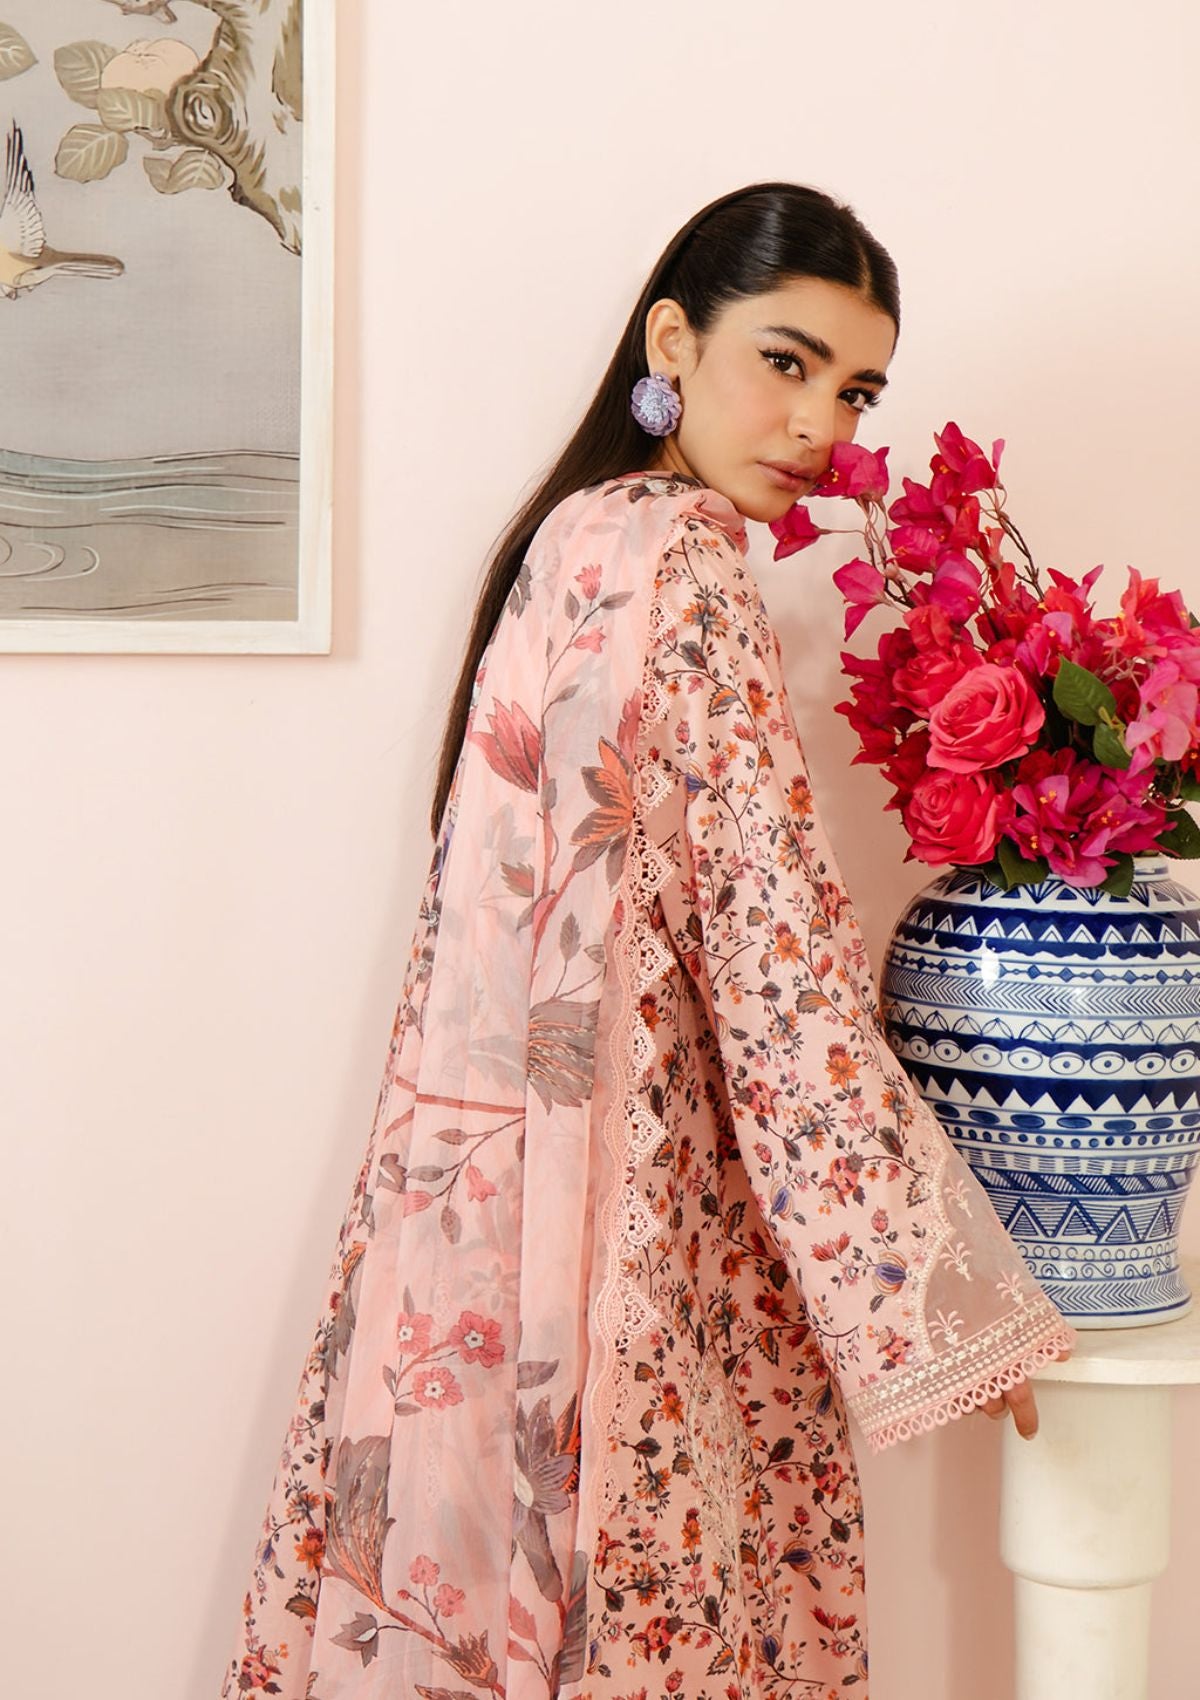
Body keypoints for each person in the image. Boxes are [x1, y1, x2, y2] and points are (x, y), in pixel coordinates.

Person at [221, 183, 1075, 1700]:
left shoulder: (575, 537)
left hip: (487, 1199)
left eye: (856, 390)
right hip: (620, 1211)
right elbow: (778, 957)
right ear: (673, 340)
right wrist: (946, 1304)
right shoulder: (682, 560)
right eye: (787, 361)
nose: (819, 424)